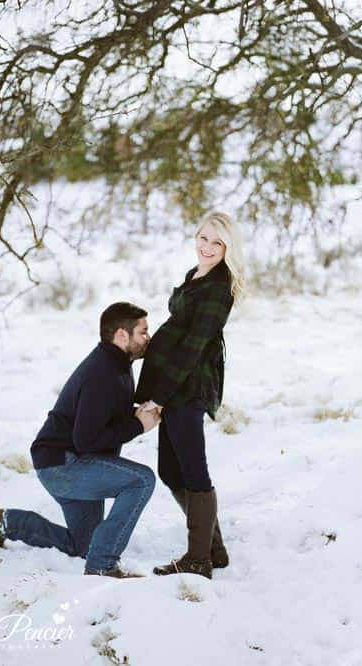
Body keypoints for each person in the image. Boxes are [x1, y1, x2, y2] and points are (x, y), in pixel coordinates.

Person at [0, 302, 160, 578]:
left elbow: (103, 417)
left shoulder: (117, 363)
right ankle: (103, 565)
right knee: (142, 480)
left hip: (65, 462)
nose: (148, 338)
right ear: (122, 336)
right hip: (64, 465)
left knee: (84, 544)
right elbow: (87, 439)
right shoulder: (102, 373)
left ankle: (4, 522)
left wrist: (134, 414)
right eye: (143, 332)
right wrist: (137, 425)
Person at [135, 211, 246, 579]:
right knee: (170, 468)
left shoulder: (218, 286)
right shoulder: (197, 275)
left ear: (228, 247)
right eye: (204, 238)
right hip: (174, 383)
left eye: (217, 243)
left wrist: (162, 396)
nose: (208, 247)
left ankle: (199, 559)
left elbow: (193, 348)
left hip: (187, 386)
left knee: (193, 469)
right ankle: (213, 548)